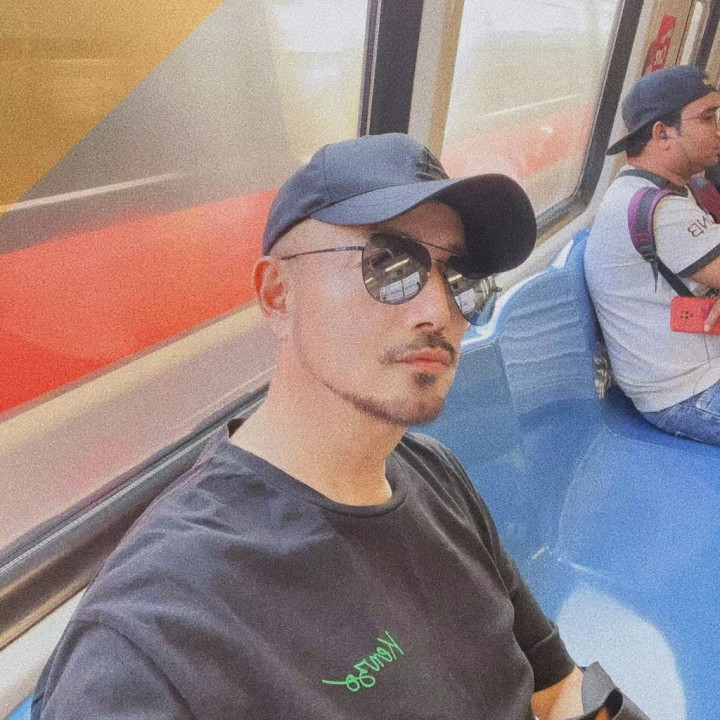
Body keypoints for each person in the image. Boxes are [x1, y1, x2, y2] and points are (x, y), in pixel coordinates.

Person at [32, 133, 641, 719]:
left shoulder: (434, 472)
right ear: (278, 295)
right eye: (389, 265)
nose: (438, 309)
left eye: (458, 279)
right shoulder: (152, 640)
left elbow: (555, 687)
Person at [585, 65, 720, 445]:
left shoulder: (658, 189)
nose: (718, 130)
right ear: (662, 133)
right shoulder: (660, 210)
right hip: (690, 393)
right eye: (707, 118)